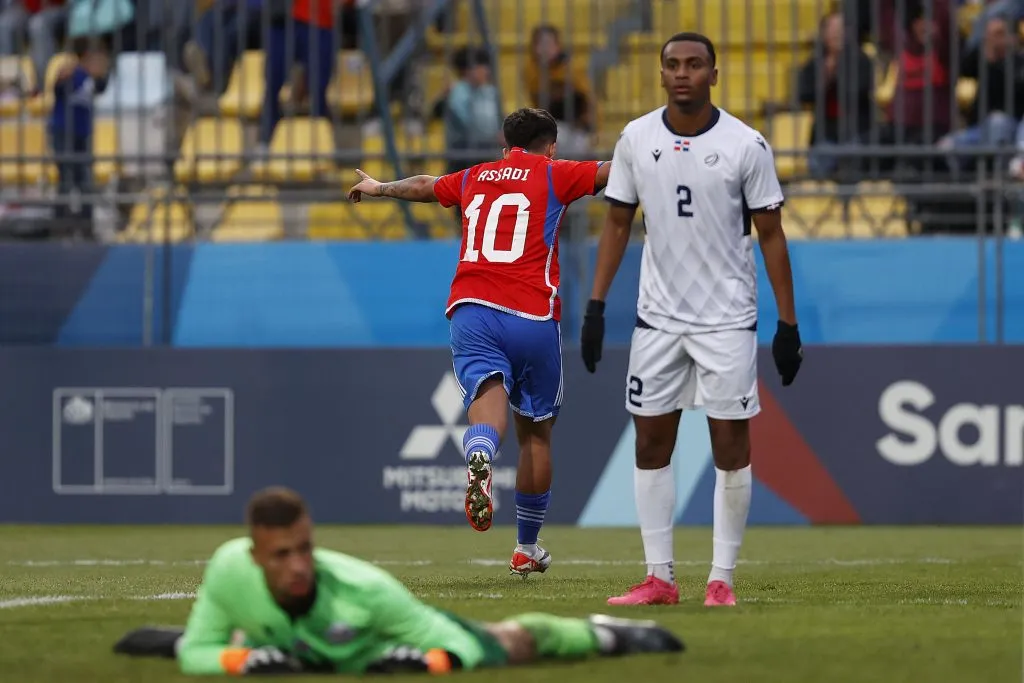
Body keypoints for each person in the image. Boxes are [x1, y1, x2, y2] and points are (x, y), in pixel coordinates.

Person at [579, 33, 803, 607]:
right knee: (650, 442)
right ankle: (660, 578)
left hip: (726, 319)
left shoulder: (745, 145)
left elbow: (772, 237)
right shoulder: (636, 138)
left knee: (730, 444)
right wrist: (596, 307)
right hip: (657, 319)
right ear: (661, 75)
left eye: (694, 65)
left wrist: (788, 324)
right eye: (673, 65)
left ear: (713, 74)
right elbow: (617, 224)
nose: (683, 74)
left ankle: (721, 578)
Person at [347, 108, 610, 577]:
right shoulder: (556, 173)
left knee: (488, 398)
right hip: (532, 313)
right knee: (536, 434)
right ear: (549, 146)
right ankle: (526, 548)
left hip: (472, 308)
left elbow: (426, 187)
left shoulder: (474, 176)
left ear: (503, 142)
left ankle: (481, 455)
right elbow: (614, 173)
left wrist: (380, 187)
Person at [113, 487, 684, 674]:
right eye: (282, 555)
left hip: (380, 648)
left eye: (305, 549)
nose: (298, 565)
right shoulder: (229, 569)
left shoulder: (365, 591)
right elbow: (201, 651)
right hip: (299, 647)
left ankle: (602, 633)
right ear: (256, 554)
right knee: (245, 642)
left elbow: (456, 645)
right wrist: (238, 663)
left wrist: (428, 661)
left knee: (506, 642)